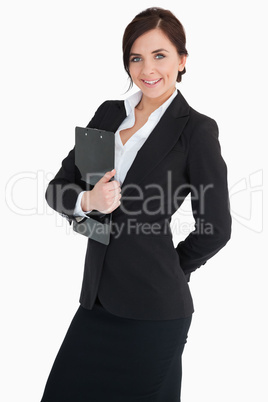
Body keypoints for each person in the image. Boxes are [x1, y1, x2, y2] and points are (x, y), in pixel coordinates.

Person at [40, 7, 231, 402]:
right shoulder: (110, 114)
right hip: (95, 303)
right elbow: (56, 188)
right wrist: (87, 199)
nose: (148, 69)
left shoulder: (196, 129)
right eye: (136, 57)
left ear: (181, 60)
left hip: (155, 309)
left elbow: (216, 224)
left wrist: (174, 267)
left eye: (160, 55)